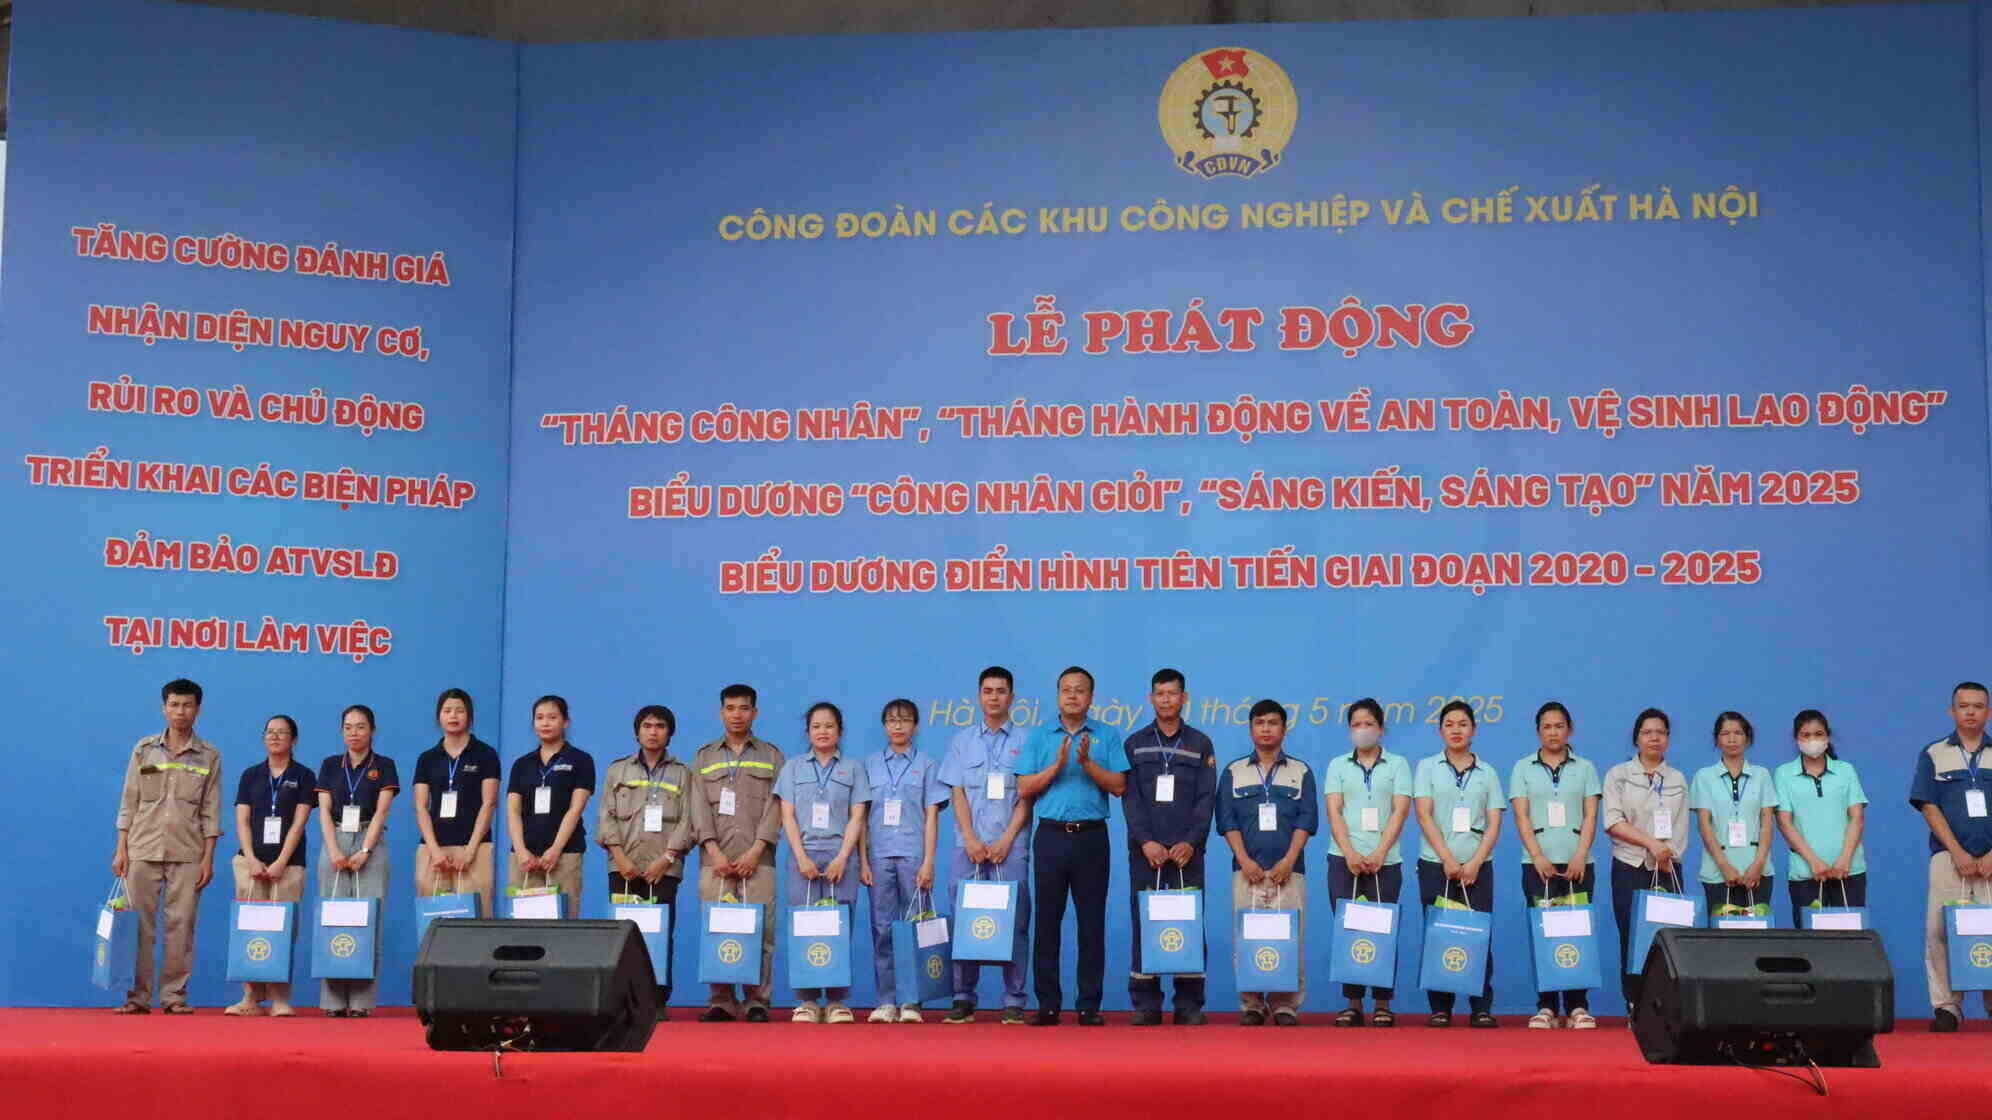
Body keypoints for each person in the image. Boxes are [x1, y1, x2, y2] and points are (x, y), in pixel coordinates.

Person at [1016, 665, 1129, 1026]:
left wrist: (1085, 763)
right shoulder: (1039, 735)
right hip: (1050, 836)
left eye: (1080, 690)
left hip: (1092, 838)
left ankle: (1088, 1005)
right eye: (1067, 689)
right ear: (1058, 695)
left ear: (1091, 697)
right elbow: (1023, 788)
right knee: (1046, 923)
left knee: (1091, 924)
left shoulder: (1107, 735)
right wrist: (1058, 766)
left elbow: (1118, 785)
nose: (1073, 696)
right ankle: (1047, 1004)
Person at [110, 678, 221, 1014]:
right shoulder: (143, 750)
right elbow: (129, 801)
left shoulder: (209, 755)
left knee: (181, 926)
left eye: (187, 705)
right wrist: (121, 848)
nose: (180, 712)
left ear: (197, 710)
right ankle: (136, 997)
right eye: (174, 705)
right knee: (138, 926)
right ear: (164, 707)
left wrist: (208, 859)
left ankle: (174, 997)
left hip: (188, 852)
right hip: (142, 848)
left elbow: (211, 811)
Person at [1120, 669, 1216, 1026]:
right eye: (1159, 694)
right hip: (1146, 852)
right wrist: (1146, 841)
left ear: (1184, 698)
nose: (1166, 700)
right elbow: (1130, 799)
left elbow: (1207, 799)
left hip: (1187, 854)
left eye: (1172, 694)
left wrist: (1191, 842)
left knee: (1187, 922)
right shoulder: (1135, 743)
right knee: (1145, 921)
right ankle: (1146, 1002)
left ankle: (1189, 1003)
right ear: (1151, 698)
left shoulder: (1201, 743)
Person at [936, 666, 1032, 1025]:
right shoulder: (961, 741)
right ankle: (963, 998)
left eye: (1001, 691)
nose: (994, 697)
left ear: (1012, 697)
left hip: (1012, 845)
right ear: (979, 697)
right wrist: (971, 838)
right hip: (968, 846)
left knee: (1016, 921)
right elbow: (957, 792)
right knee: (965, 921)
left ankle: (1014, 1000)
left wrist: (1007, 838)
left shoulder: (1027, 740)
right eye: (988, 691)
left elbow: (1028, 795)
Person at [688, 683, 786, 1022]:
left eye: (744, 708)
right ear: (721, 712)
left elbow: (778, 808)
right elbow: (697, 807)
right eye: (730, 708)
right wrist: (713, 850)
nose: (737, 715)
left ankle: (757, 1000)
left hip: (759, 861)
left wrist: (757, 850)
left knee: (763, 933)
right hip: (714, 861)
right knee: (718, 929)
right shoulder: (703, 757)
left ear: (754, 713)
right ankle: (722, 1001)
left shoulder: (772, 755)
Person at [1216, 699, 1316, 1026]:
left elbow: (1307, 819)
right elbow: (1226, 820)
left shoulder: (1301, 771)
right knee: (1248, 936)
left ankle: (1286, 1003)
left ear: (1284, 729)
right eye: (1259, 723)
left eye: (1273, 723)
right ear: (1250, 729)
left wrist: (1289, 860)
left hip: (1290, 871)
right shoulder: (1234, 771)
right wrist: (1244, 860)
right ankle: (1253, 1004)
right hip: (1247, 872)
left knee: (1290, 936)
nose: (1266, 729)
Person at [1508, 701, 1602, 1029]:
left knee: (1577, 932)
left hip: (1578, 863)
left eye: (1559, 726)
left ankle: (1578, 1006)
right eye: (1546, 727)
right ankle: (1546, 1006)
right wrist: (1537, 856)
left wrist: (1580, 854)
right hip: (1538, 863)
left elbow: (1591, 814)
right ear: (1538, 732)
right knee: (1544, 932)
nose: (1553, 732)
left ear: (1570, 730)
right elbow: (1521, 816)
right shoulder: (1522, 768)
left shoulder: (1586, 768)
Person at [776, 702, 871, 1023]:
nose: (823, 732)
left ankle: (836, 1001)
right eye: (816, 726)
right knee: (804, 927)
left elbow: (858, 816)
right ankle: (806, 1001)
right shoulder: (792, 768)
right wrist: (800, 856)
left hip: (840, 856)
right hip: (803, 856)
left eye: (829, 726)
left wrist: (844, 857)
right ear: (808, 732)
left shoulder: (854, 769)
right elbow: (786, 814)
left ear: (840, 731)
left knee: (838, 928)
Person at [1412, 700, 1503, 1028]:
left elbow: (1494, 822)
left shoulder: (1488, 772)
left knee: (1478, 936)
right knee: (1439, 934)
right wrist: (1448, 859)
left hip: (1478, 865)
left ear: (1474, 731)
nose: (1456, 730)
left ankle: (1480, 1006)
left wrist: (1476, 860)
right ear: (1440, 731)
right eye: (1449, 724)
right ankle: (1440, 1007)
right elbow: (1423, 814)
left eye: (1463, 724)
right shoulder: (1427, 767)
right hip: (1437, 863)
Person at [600, 705, 694, 1018]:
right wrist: (620, 857)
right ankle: (624, 1001)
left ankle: (656, 1001)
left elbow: (688, 821)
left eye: (660, 726)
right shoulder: (618, 770)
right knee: (623, 935)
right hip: (623, 866)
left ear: (670, 732)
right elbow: (606, 817)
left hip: (663, 869)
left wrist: (666, 859)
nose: (653, 732)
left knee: (660, 933)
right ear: (637, 731)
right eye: (647, 725)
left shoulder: (683, 773)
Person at [1323, 697, 1411, 1027]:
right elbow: (1334, 810)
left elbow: (1401, 810)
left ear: (1381, 729)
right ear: (1349, 730)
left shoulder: (1399, 764)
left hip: (1386, 861)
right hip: (1343, 860)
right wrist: (1349, 853)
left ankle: (1384, 1004)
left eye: (1369, 724)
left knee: (1382, 930)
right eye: (1356, 725)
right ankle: (1354, 1003)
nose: (1363, 730)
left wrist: (1379, 853)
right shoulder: (1337, 765)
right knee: (1350, 929)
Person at [1911, 681, 1992, 1032]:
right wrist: (1958, 852)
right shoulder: (1933, 753)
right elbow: (1929, 806)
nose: (1970, 712)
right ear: (1952, 711)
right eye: (1963, 706)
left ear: (1988, 711)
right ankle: (1947, 1007)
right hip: (1948, 857)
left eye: (1978, 705)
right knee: (1939, 930)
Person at [859, 698, 947, 1023]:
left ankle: (912, 1001)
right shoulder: (869, 765)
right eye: (892, 720)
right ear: (884, 726)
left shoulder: (926, 765)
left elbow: (932, 815)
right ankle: (885, 1000)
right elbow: (860, 816)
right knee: (881, 929)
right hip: (878, 856)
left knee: (916, 929)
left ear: (916, 726)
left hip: (913, 857)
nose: (898, 726)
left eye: (905, 720)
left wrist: (929, 861)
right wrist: (863, 861)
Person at [224, 714, 314, 1017]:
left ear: (294, 740)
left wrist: (280, 862)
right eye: (270, 732)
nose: (275, 737)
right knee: (249, 929)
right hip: (250, 863)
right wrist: (250, 858)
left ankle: (280, 998)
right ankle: (250, 998)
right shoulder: (251, 775)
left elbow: (299, 824)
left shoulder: (304, 776)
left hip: (288, 865)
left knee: (283, 930)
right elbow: (242, 819)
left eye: (282, 732)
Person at [1602, 707, 1689, 1016]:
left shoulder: (1677, 778)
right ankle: (1635, 1005)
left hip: (1667, 868)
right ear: (1636, 738)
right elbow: (1613, 821)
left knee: (1668, 939)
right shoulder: (1618, 775)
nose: (1654, 738)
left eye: (1661, 732)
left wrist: (1668, 853)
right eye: (1647, 732)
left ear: (1668, 739)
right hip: (1630, 865)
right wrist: (1652, 844)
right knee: (1631, 937)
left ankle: (1666, 1007)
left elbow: (1680, 827)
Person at [313, 704, 398, 1017]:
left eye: (360, 727)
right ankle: (332, 1001)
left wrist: (365, 851)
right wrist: (333, 849)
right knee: (332, 919)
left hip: (369, 840)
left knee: (368, 922)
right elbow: (323, 810)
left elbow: (382, 811)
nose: (354, 733)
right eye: (348, 727)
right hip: (334, 839)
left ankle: (362, 1001)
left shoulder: (384, 765)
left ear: (372, 730)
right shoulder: (330, 765)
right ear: (341, 731)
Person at [412, 688, 500, 920]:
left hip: (475, 849)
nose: (453, 716)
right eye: (447, 710)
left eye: (459, 711)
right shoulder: (427, 758)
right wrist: (434, 850)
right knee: (433, 920)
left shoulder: (486, 754)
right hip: (433, 850)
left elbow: (489, 802)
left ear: (469, 716)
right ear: (439, 716)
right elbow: (421, 806)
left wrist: (470, 851)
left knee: (476, 920)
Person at [505, 695, 596, 920]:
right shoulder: (522, 764)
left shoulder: (581, 760)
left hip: (565, 854)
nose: (545, 723)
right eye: (539, 718)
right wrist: (521, 850)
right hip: (524, 858)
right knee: (523, 929)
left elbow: (575, 809)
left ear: (565, 722)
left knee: (563, 927)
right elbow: (513, 811)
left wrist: (555, 849)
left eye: (552, 717)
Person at [1773, 709, 1868, 916]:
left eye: (1818, 734)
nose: (1812, 740)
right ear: (1796, 738)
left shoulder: (1846, 770)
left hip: (1849, 870)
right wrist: (1814, 862)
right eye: (1805, 735)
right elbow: (1784, 823)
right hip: (1806, 873)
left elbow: (1857, 818)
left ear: (1828, 736)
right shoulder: (1783, 774)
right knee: (1811, 944)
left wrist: (1844, 861)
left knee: (1851, 942)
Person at [1690, 712, 1778, 921]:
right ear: (1716, 739)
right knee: (1723, 945)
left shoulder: (1762, 775)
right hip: (1718, 872)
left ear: (1747, 738)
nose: (1732, 739)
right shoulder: (1704, 776)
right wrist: (1724, 866)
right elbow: (1704, 825)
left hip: (1757, 872)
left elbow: (1767, 823)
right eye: (1725, 733)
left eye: (1738, 733)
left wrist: (1758, 865)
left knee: (1757, 940)